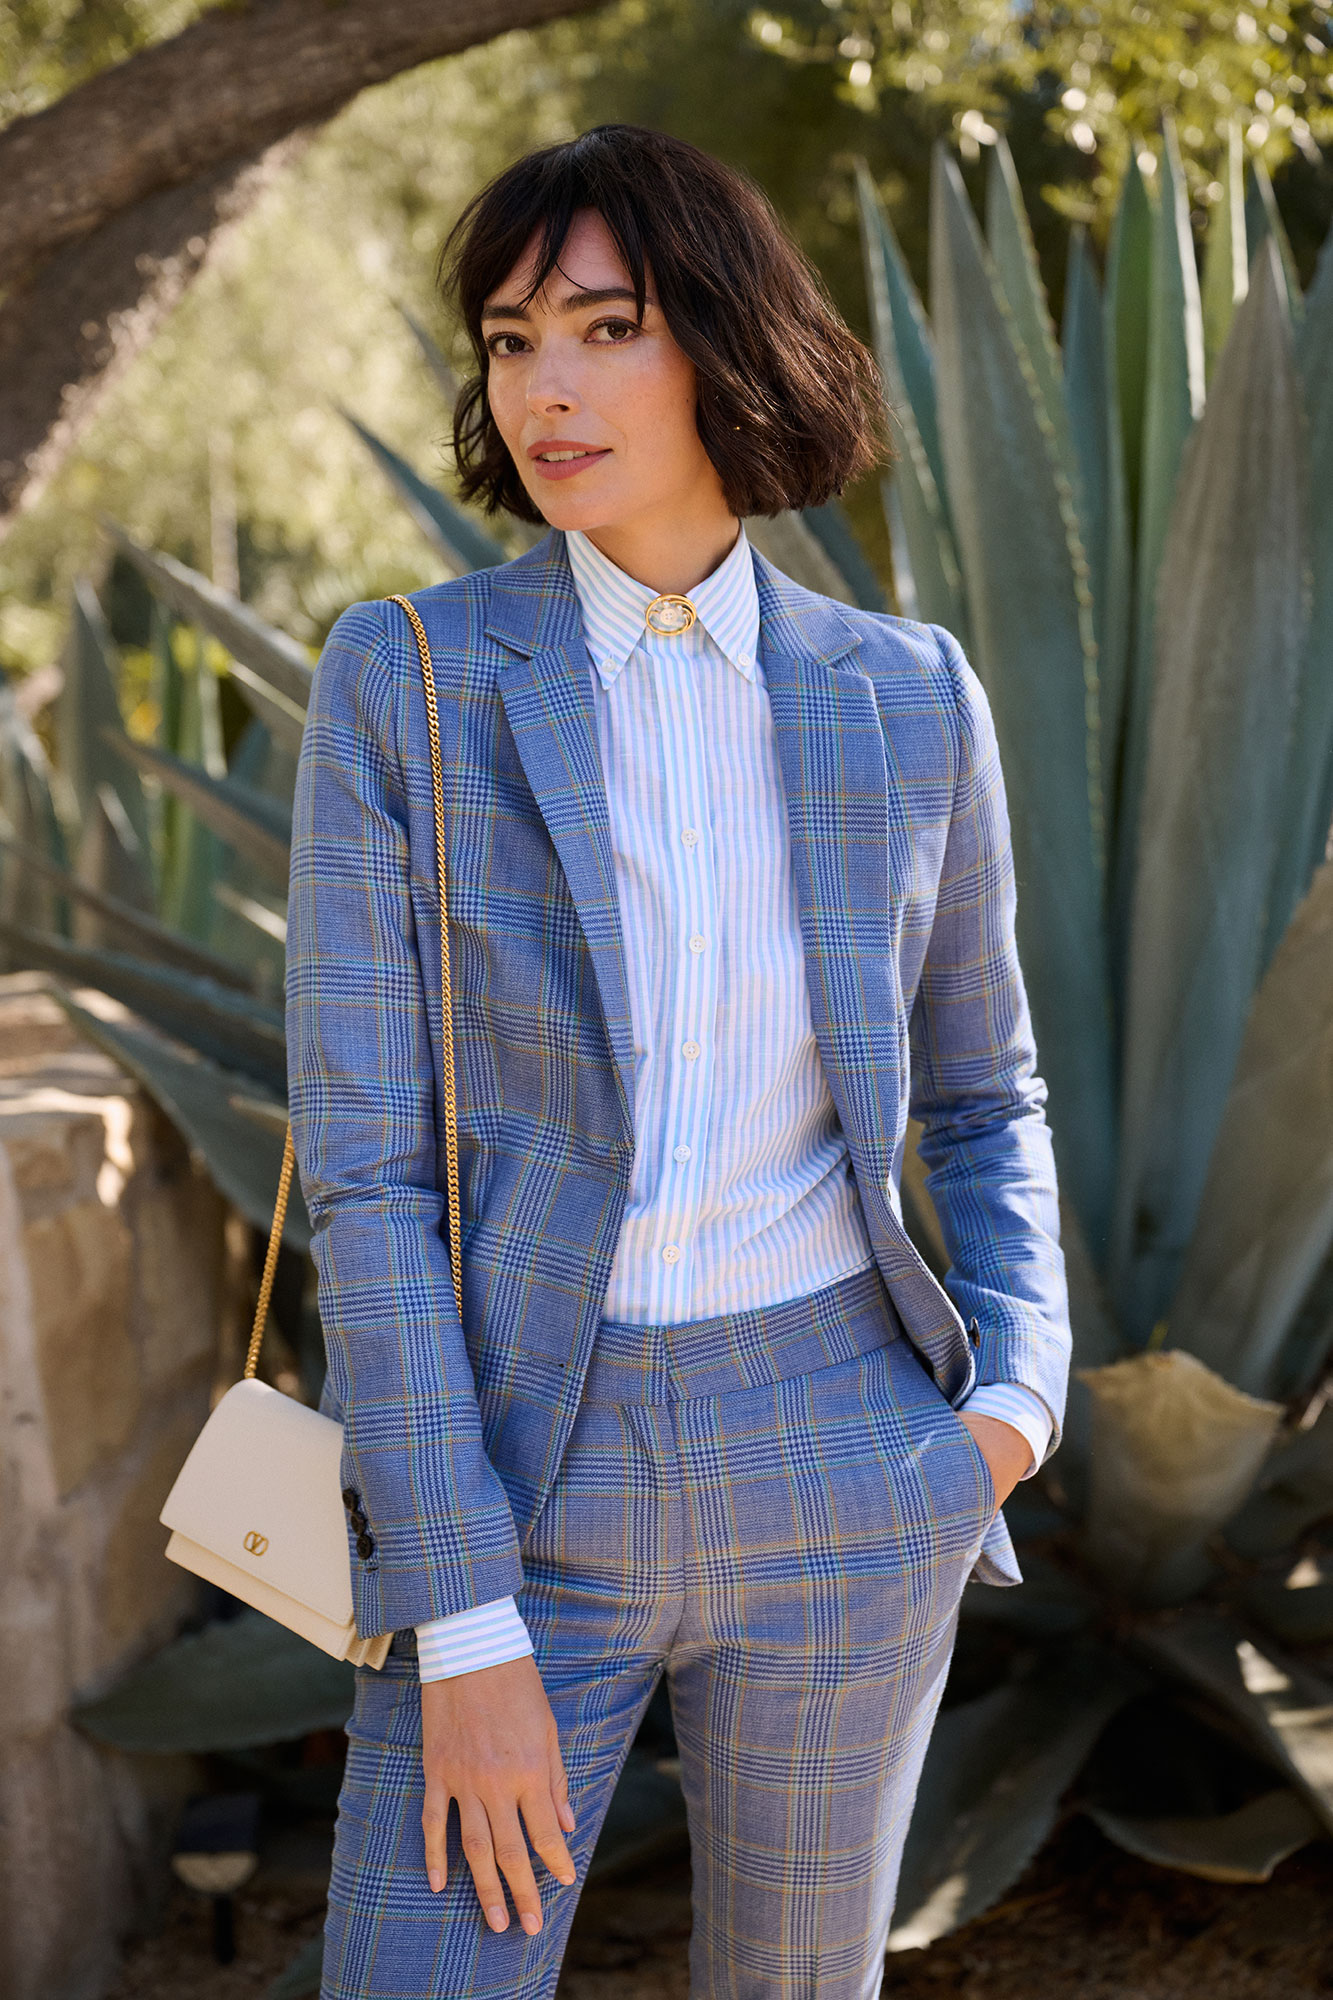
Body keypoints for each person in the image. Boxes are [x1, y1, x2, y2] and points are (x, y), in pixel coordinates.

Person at [287, 122, 1070, 2000]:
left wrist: (1013, 1402)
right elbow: (370, 1174)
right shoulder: (405, 681)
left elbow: (981, 1095)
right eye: (504, 340)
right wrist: (461, 1620)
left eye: (601, 327)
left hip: (850, 1460)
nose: (542, 386)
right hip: (512, 1473)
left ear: (723, 342)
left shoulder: (907, 696)